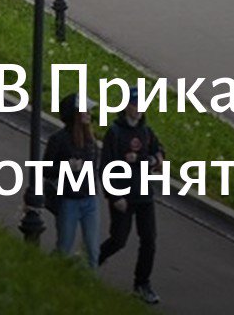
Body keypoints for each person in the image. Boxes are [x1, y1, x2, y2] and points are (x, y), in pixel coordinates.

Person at [98, 88, 164, 305]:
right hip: (123, 197)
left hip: (144, 195)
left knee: (149, 240)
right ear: (126, 105)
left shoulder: (147, 132)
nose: (138, 109)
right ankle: (94, 258)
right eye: (135, 104)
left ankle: (142, 283)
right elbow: (105, 168)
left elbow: (160, 154)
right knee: (118, 240)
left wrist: (147, 160)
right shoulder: (115, 133)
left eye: (142, 105)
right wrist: (114, 195)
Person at [44, 93, 100, 267]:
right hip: (68, 200)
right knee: (64, 246)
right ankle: (51, 272)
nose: (89, 114)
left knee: (92, 249)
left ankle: (91, 283)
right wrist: (67, 167)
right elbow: (46, 169)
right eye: (85, 111)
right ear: (75, 114)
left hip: (89, 199)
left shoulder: (91, 140)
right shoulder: (59, 140)